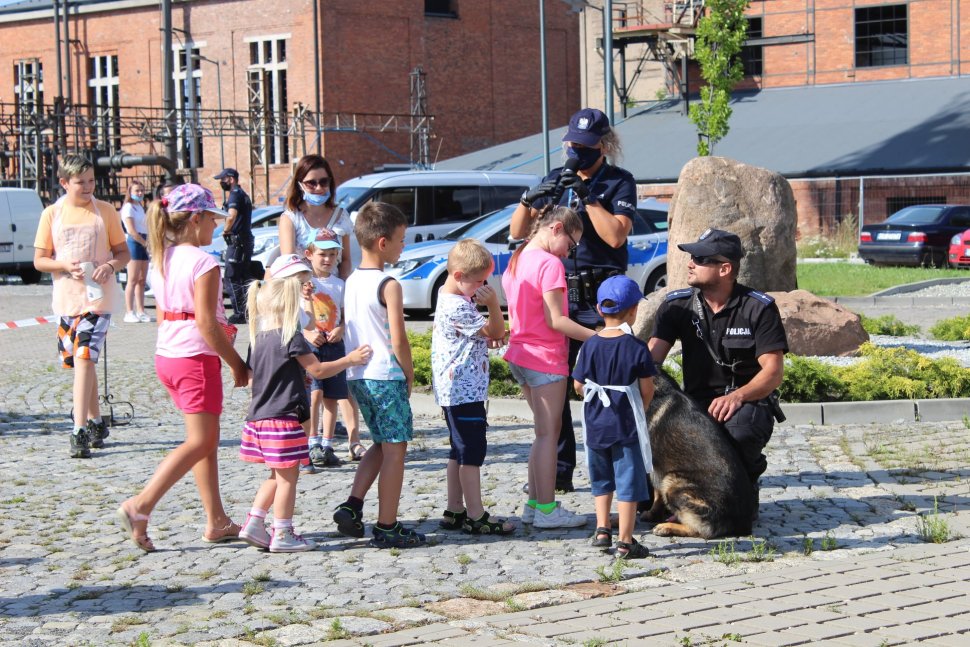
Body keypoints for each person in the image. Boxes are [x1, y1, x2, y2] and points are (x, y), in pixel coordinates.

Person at [115, 183, 248, 552]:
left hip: (169, 355)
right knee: (201, 440)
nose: (216, 227)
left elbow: (165, 314)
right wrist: (237, 364)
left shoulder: (162, 257)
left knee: (204, 441)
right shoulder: (204, 262)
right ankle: (141, 505)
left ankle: (217, 520)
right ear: (195, 219)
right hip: (194, 357)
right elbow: (207, 323)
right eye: (212, 219)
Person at [510, 107, 637, 493]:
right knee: (555, 385)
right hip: (560, 291)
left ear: (603, 145)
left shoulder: (619, 181)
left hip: (602, 293)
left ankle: (618, 468)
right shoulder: (556, 178)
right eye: (571, 144)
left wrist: (588, 196)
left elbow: (616, 236)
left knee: (609, 383)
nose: (576, 151)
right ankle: (559, 471)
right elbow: (517, 234)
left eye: (584, 146)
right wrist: (529, 200)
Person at [649, 229, 788, 520]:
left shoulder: (757, 308)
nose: (690, 263)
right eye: (691, 256)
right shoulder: (677, 305)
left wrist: (738, 396)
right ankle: (661, 501)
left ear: (725, 269)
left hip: (747, 402)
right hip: (694, 404)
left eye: (700, 258)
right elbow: (650, 361)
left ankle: (741, 491)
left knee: (739, 432)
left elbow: (773, 372)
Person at [238, 254, 372, 552]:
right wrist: (349, 359)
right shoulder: (292, 336)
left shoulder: (258, 336)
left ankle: (254, 522)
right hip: (283, 419)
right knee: (288, 479)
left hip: (259, 418)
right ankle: (283, 532)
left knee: (275, 474)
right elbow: (319, 370)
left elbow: (251, 378)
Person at [332, 201, 427, 549]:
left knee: (382, 443)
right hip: (386, 374)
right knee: (396, 450)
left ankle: (353, 504)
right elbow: (398, 338)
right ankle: (387, 524)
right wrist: (410, 372)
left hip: (359, 375)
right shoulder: (389, 284)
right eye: (402, 240)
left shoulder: (351, 280)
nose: (404, 246)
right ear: (383, 242)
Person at [503, 205, 594, 529]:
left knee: (542, 434)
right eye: (571, 243)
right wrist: (600, 338)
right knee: (548, 434)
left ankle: (534, 505)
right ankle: (545, 509)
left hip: (521, 354)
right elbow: (557, 320)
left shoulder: (519, 257)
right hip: (545, 358)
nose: (570, 252)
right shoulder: (549, 264)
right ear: (556, 228)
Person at [33, 154, 130, 458]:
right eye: (80, 182)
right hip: (66, 297)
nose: (88, 187)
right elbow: (39, 260)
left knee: (85, 354)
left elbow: (123, 252)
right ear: (64, 183)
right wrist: (63, 264)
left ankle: (78, 430)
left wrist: (111, 266)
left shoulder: (105, 212)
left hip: (99, 298)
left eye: (91, 181)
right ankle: (97, 421)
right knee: (78, 362)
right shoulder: (52, 214)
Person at [432, 239, 515, 536]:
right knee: (471, 452)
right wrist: (494, 305)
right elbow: (494, 331)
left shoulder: (448, 296)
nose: (484, 286)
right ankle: (476, 514)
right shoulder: (459, 307)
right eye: (479, 281)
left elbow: (485, 335)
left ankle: (455, 508)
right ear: (458, 276)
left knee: (458, 449)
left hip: (454, 388)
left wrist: (487, 331)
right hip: (464, 390)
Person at [572, 276, 656, 559]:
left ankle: (602, 528)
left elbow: (578, 385)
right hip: (626, 425)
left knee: (601, 478)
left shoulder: (590, 345)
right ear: (633, 311)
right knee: (629, 482)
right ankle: (625, 541)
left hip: (596, 425)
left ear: (599, 309)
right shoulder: (636, 347)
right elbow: (647, 389)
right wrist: (639, 412)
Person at [302, 232, 364, 469]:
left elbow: (344, 313)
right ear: (309, 255)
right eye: (322, 254)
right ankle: (312, 441)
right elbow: (299, 315)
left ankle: (327, 444)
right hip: (312, 345)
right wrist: (308, 333)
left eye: (332, 254)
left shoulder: (340, 284)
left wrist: (340, 328)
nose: (327, 259)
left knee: (333, 397)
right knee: (314, 394)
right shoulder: (303, 283)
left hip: (334, 344)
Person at [279, 155, 353, 280]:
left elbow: (346, 260)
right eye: (311, 183)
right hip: (303, 292)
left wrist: (342, 285)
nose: (318, 188)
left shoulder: (342, 216)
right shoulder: (290, 218)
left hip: (334, 292)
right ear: (300, 185)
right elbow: (289, 263)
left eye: (324, 182)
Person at [214, 168, 253, 324]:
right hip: (243, 241)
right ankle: (247, 311)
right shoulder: (242, 193)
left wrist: (225, 230)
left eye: (222, 180)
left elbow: (231, 215)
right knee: (242, 277)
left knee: (231, 277)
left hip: (237, 242)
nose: (220, 183)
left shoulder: (235, 194)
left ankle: (240, 313)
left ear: (230, 179)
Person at [122, 180, 152, 323]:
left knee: (141, 280)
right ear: (130, 192)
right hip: (134, 243)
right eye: (136, 191)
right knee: (132, 280)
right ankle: (129, 311)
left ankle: (141, 311)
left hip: (144, 241)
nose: (140, 193)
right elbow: (132, 231)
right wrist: (144, 243)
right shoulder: (128, 207)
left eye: (141, 190)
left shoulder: (140, 206)